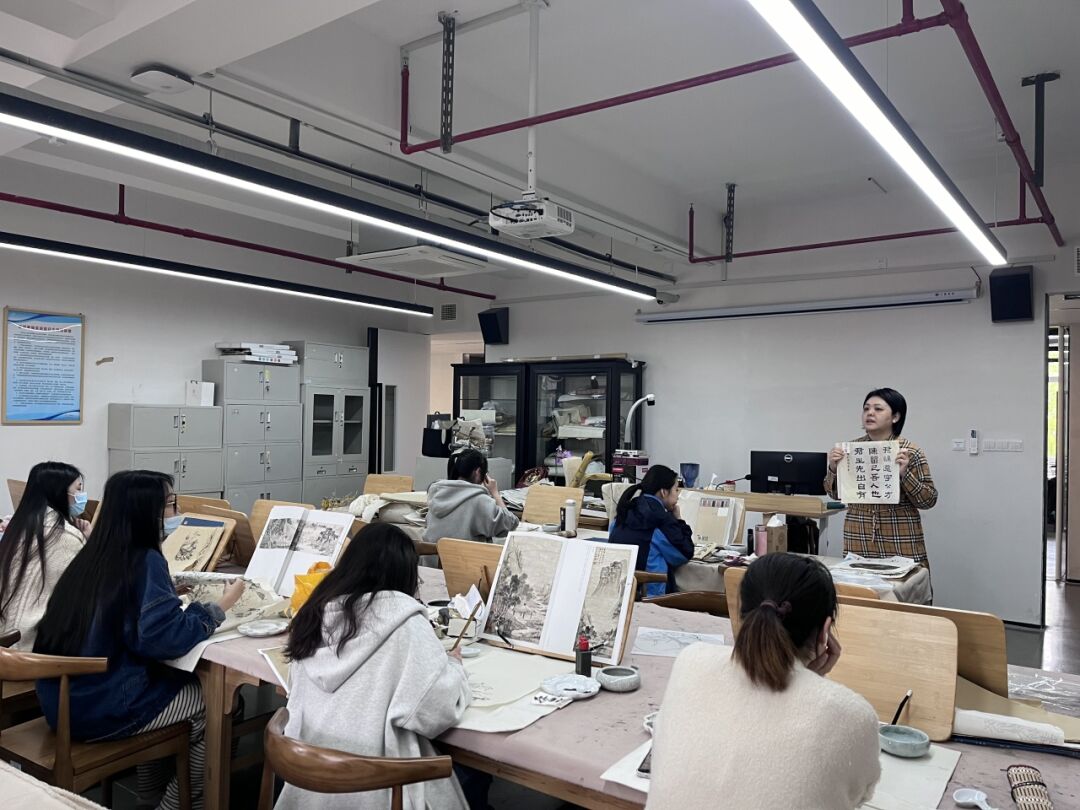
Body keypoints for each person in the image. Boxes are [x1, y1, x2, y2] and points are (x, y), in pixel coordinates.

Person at [34, 470, 244, 810]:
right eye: (170, 505)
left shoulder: (94, 552)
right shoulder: (145, 559)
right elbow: (164, 638)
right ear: (146, 511)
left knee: (164, 682)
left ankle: (149, 796)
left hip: (63, 702)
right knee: (216, 705)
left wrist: (165, 595)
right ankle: (174, 805)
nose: (176, 514)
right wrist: (219, 607)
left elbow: (128, 611)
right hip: (101, 706)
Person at [647, 553, 881, 809]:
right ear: (825, 631)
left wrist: (809, 682)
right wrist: (811, 682)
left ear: (741, 614)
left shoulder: (691, 661)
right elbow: (860, 795)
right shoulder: (852, 715)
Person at [279, 522, 471, 810]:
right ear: (405, 574)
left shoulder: (313, 615)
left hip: (308, 787)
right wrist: (454, 667)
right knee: (472, 775)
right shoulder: (405, 623)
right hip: (381, 789)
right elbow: (436, 711)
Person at [825, 387, 938, 567]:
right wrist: (833, 467)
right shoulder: (850, 450)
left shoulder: (909, 451)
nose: (870, 413)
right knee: (859, 582)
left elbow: (928, 500)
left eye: (878, 409)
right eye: (866, 408)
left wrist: (904, 474)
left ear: (895, 417)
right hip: (858, 530)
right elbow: (835, 495)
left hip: (899, 531)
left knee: (906, 583)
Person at [0, 461, 89, 650]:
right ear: (60, 493)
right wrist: (88, 541)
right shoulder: (67, 537)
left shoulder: (16, 527)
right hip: (31, 647)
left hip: (5, 638)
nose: (82, 496)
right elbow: (86, 594)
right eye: (78, 489)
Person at [608, 465, 693, 597]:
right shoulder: (660, 519)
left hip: (619, 594)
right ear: (664, 492)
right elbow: (683, 554)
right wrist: (679, 520)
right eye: (676, 490)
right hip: (652, 597)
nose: (678, 495)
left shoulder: (624, 512)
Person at [423, 449, 519, 544]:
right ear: (478, 472)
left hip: (433, 553)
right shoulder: (480, 500)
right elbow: (510, 523)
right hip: (465, 554)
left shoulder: (437, 493)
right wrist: (495, 492)